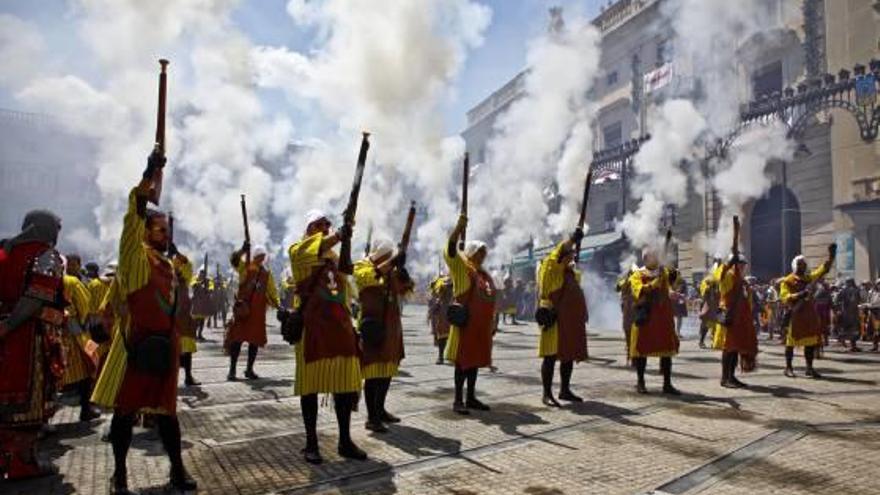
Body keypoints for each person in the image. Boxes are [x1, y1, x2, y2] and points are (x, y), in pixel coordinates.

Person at [90, 150, 197, 493]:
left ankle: (177, 470)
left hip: (166, 346)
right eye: (160, 230)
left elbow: (188, 275)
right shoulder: (136, 259)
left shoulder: (168, 265)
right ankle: (119, 474)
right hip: (136, 345)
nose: (165, 234)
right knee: (124, 415)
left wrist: (176, 253)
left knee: (168, 414)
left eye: (167, 230)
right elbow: (133, 217)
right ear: (146, 233)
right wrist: (149, 173)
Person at [289, 209, 365, 464]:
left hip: (340, 328)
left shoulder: (334, 258)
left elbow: (346, 289)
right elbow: (318, 246)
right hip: (313, 330)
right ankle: (311, 443)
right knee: (309, 388)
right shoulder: (298, 251)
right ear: (309, 229)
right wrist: (339, 235)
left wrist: (346, 239)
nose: (324, 228)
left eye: (327, 224)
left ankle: (345, 440)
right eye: (319, 225)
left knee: (345, 386)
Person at [0, 210, 66, 479]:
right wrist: (10, 324)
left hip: (6, 332)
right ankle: (22, 462)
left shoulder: (4, 251)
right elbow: (36, 297)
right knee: (30, 400)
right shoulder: (46, 256)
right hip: (29, 337)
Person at [354, 238, 413, 433]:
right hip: (373, 326)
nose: (391, 260)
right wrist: (390, 265)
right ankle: (372, 418)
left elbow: (406, 291)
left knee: (387, 371)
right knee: (373, 374)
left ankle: (380, 410)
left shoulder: (391, 270)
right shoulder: (363, 265)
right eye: (388, 257)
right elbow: (365, 279)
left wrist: (403, 273)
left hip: (391, 326)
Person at [444, 214, 496, 415]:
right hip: (465, 325)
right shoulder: (462, 268)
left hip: (480, 327)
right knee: (462, 363)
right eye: (479, 253)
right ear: (472, 253)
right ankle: (458, 400)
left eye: (484, 253)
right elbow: (451, 250)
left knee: (474, 363)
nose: (482, 256)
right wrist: (458, 228)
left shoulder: (483, 274)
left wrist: (493, 322)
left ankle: (471, 397)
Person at [536, 228, 588, 407]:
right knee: (550, 356)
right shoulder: (551, 267)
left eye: (572, 256)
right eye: (568, 256)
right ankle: (546, 393)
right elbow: (558, 254)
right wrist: (573, 239)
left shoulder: (569, 272)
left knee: (568, 355)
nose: (570, 259)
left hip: (570, 320)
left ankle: (564, 390)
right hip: (553, 317)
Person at [628, 248, 680, 394]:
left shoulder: (663, 272)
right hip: (646, 316)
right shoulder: (638, 274)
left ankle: (667, 383)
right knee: (642, 350)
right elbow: (639, 290)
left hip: (663, 316)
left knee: (666, 351)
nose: (656, 258)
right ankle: (640, 382)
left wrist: (670, 273)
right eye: (653, 256)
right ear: (645, 259)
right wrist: (653, 284)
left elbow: (672, 282)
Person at [779, 245, 835, 379]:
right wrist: (800, 294)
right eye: (799, 264)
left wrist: (831, 258)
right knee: (791, 343)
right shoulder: (787, 280)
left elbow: (822, 271)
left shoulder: (808, 278)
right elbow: (784, 296)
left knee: (810, 342)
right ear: (795, 266)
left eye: (803, 264)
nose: (802, 266)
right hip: (795, 314)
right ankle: (788, 368)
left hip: (809, 314)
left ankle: (809, 368)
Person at [226, 244, 279, 381]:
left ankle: (249, 369)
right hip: (244, 311)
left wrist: (278, 305)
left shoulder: (267, 273)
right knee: (237, 340)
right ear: (255, 256)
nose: (262, 258)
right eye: (259, 255)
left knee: (254, 341)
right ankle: (232, 370)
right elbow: (234, 260)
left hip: (257, 312)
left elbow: (271, 292)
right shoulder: (245, 267)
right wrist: (243, 250)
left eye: (263, 255)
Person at [712, 253, 758, 388]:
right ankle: (725, 379)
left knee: (735, 350)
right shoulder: (728, 275)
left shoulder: (742, 280)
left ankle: (731, 377)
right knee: (728, 349)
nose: (743, 267)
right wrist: (727, 264)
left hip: (740, 320)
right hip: (730, 319)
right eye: (741, 264)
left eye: (744, 264)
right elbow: (718, 276)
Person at [61, 267, 101, 421]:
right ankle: (87, 408)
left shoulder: (39, 279)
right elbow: (86, 306)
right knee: (92, 364)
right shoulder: (71, 281)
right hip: (79, 333)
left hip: (51, 332)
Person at [173, 251, 200, 386]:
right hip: (170, 319)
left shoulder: (184, 277)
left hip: (183, 317)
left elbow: (188, 264)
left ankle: (188, 377)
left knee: (187, 348)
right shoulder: (164, 276)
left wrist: (177, 253)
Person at [428, 274, 453, 365]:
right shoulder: (441, 286)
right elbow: (435, 292)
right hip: (443, 316)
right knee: (442, 337)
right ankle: (440, 356)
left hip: (454, 314)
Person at [698, 257, 722, 349]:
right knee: (706, 323)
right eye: (717, 262)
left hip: (719, 303)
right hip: (709, 303)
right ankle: (701, 341)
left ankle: (715, 341)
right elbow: (703, 291)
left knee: (719, 324)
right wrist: (709, 286)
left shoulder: (723, 275)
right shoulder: (708, 278)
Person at [833, 278, 862, 352]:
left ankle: (853, 346)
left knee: (853, 329)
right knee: (848, 329)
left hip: (852, 313)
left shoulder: (854, 290)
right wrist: (839, 309)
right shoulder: (845, 290)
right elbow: (837, 301)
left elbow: (859, 300)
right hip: (847, 313)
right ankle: (844, 342)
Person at [615, 266, 636, 360]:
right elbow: (617, 288)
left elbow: (617, 288)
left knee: (630, 331)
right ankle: (630, 352)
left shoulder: (632, 281)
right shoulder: (628, 281)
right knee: (629, 331)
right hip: (629, 310)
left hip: (631, 310)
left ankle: (630, 352)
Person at [190, 267, 213, 340]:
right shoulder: (195, 279)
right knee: (196, 321)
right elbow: (193, 285)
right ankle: (194, 334)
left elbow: (211, 288)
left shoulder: (208, 281)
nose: (202, 275)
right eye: (201, 273)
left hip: (203, 304)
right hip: (196, 303)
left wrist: (207, 288)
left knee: (202, 321)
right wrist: (200, 283)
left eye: (203, 274)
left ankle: (200, 334)